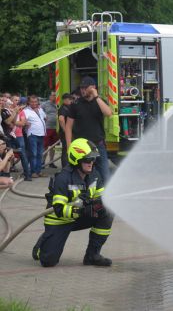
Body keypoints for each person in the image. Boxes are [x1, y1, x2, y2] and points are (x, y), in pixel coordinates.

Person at [32, 138, 114, 267]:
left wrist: (98, 205)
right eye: (87, 159)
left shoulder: (95, 175)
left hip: (80, 217)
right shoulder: (63, 178)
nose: (91, 163)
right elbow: (58, 210)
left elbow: (101, 198)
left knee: (108, 213)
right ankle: (43, 242)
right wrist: (80, 210)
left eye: (93, 159)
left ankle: (92, 256)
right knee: (48, 262)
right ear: (76, 159)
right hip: (59, 220)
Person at [65, 77, 112, 182]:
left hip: (98, 145)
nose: (83, 90)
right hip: (81, 147)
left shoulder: (100, 102)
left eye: (86, 87)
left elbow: (108, 113)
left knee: (105, 175)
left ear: (93, 87)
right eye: (81, 88)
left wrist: (96, 96)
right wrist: (69, 147)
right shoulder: (75, 104)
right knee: (79, 174)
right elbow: (68, 126)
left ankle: (104, 196)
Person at [23, 95, 47, 178]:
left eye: (35, 101)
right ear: (29, 102)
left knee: (40, 154)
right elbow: (22, 120)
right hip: (32, 134)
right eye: (32, 102)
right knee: (33, 154)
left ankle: (38, 171)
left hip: (41, 134)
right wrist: (25, 123)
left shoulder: (40, 109)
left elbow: (45, 117)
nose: (34, 103)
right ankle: (33, 172)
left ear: (38, 102)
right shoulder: (26, 111)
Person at [10, 95, 32, 181]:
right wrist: (16, 122)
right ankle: (7, 175)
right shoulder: (8, 110)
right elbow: (8, 123)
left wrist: (13, 122)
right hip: (9, 136)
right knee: (8, 156)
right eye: (15, 100)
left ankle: (27, 175)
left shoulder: (21, 111)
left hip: (19, 136)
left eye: (18, 100)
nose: (17, 102)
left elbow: (22, 124)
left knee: (23, 155)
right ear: (11, 101)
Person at [41, 92, 58, 168]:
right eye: (53, 95)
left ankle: (51, 162)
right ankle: (42, 162)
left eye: (56, 95)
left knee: (53, 146)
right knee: (45, 145)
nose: (55, 97)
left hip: (56, 128)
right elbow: (40, 113)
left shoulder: (58, 104)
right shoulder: (44, 104)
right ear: (50, 96)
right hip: (47, 128)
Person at [58, 93, 73, 168]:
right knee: (66, 150)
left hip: (67, 132)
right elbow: (61, 119)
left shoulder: (68, 107)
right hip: (65, 133)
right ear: (65, 100)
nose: (71, 101)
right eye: (70, 99)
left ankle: (68, 166)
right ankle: (65, 167)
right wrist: (66, 130)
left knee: (68, 149)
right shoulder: (63, 108)